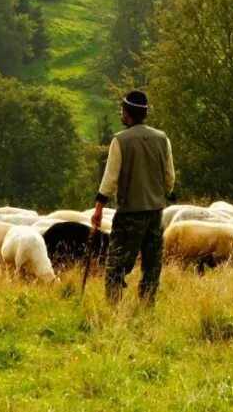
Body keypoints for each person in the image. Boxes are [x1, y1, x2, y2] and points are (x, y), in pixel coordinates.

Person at [91, 90, 175, 304]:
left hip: (130, 214)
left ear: (127, 112)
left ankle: (114, 309)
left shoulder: (120, 141)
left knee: (116, 265)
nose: (121, 113)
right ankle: (147, 307)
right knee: (152, 266)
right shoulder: (162, 139)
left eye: (122, 109)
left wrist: (99, 208)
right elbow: (169, 177)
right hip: (156, 213)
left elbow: (109, 179)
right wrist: (162, 194)